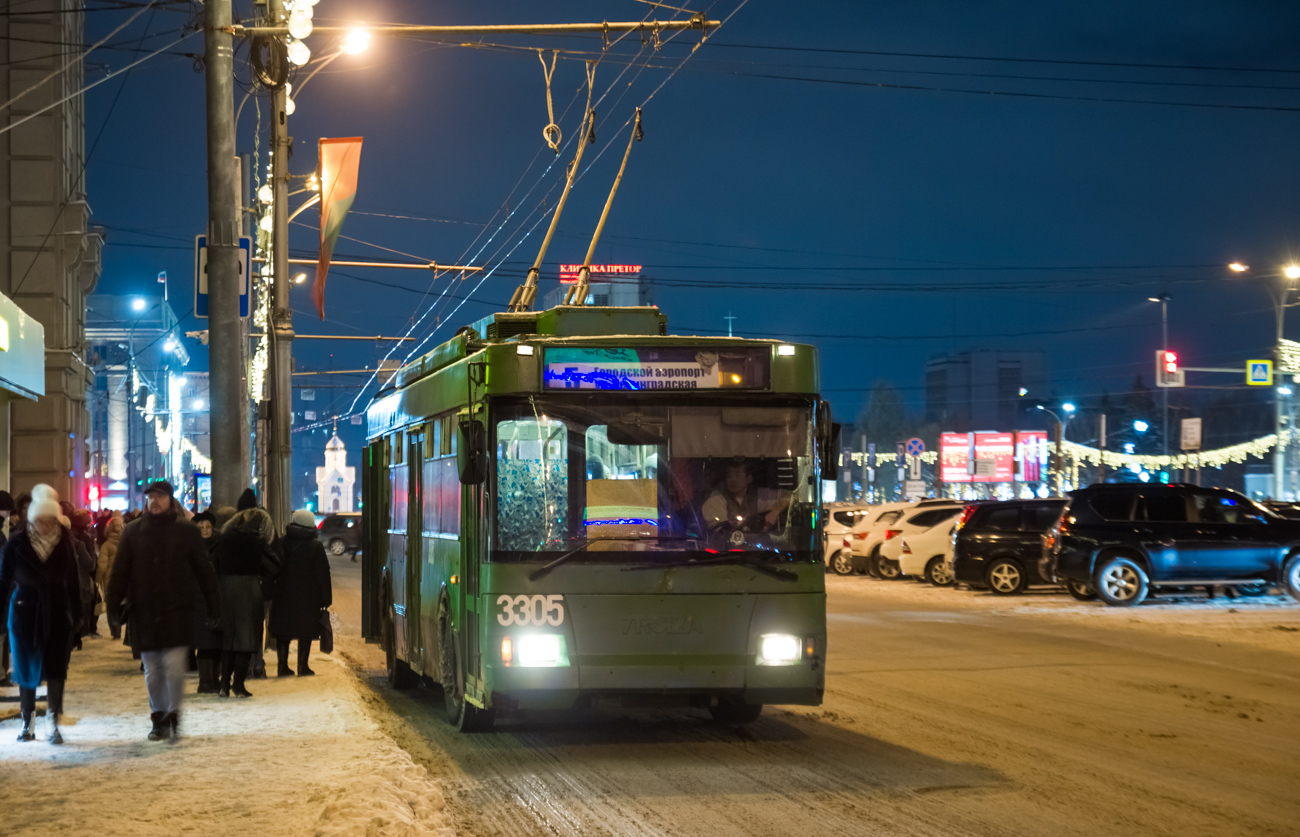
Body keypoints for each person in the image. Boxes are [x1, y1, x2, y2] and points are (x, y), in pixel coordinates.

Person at [107, 481, 220, 742]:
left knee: (173, 667)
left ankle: (173, 715)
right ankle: (158, 718)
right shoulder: (133, 532)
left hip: (177, 611)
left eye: (159, 497)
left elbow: (204, 571)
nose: (154, 502)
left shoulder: (185, 532)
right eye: (150, 498)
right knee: (152, 670)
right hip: (144, 613)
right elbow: (120, 572)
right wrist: (113, 608)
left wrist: (215, 604)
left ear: (170, 499)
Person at [0, 484, 82, 743]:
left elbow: (74, 582)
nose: (45, 526)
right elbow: (3, 579)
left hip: (58, 612)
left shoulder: (66, 541)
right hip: (24, 612)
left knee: (56, 669)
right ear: (33, 518)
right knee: (25, 670)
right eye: (40, 520)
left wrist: (77, 616)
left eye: (50, 521)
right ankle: (28, 723)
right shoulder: (17, 541)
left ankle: (53, 722)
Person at [211, 507, 278, 697]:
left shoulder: (224, 540)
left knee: (228, 639)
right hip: (249, 590)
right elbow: (275, 566)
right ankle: (238, 685)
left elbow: (211, 561)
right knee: (246, 640)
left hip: (225, 589)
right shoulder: (257, 541)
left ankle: (224, 684)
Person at [270, 509, 332, 676]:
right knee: (306, 631)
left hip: (283, 593)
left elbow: (273, 567)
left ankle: (282, 666)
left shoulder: (282, 542)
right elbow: (323, 573)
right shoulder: (315, 546)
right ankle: (302, 666)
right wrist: (326, 598)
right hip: (308, 596)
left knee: (283, 631)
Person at [701, 460, 791, 535]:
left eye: (737, 474)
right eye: (729, 475)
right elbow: (721, 531)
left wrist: (775, 511)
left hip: (753, 550)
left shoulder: (755, 494)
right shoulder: (716, 498)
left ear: (749, 479)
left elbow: (787, 495)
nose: (732, 480)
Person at [192, 511, 222, 693]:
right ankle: (204, 681)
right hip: (198, 600)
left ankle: (215, 679)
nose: (205, 530)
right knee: (204, 642)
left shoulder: (220, 546)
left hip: (217, 598)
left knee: (217, 641)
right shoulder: (190, 548)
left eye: (208, 527)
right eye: (201, 527)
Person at [96, 516, 124, 640]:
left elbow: (102, 566)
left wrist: (97, 580)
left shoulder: (106, 546)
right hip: (124, 578)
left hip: (110, 581)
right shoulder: (126, 544)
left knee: (111, 606)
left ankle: (116, 630)